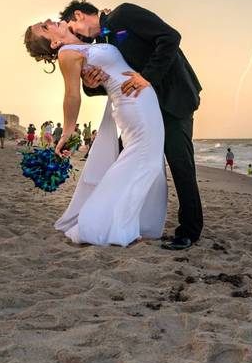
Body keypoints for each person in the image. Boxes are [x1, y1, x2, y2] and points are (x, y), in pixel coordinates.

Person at [63, 0, 203, 251]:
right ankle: (123, 220)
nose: (75, 35)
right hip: (142, 111)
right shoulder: (102, 44)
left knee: (180, 163)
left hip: (173, 99)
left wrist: (146, 77)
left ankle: (190, 231)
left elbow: (170, 37)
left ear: (79, 15)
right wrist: (91, 85)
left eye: (72, 28)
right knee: (120, 159)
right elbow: (116, 81)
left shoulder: (123, 14)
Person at [23, 19, 167, 247]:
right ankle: (106, 224)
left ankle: (128, 223)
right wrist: (68, 132)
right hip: (131, 103)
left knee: (149, 163)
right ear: (54, 43)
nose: (48, 21)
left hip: (141, 98)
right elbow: (72, 96)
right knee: (144, 162)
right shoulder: (67, 54)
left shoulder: (84, 44)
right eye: (44, 27)